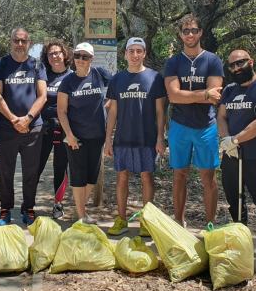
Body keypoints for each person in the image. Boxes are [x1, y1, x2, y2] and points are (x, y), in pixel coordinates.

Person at [216, 49, 256, 261]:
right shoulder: (229, 90)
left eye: (240, 63)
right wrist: (226, 141)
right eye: (232, 65)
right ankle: (242, 241)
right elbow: (221, 116)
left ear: (251, 62)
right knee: (235, 199)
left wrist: (236, 139)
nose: (236, 68)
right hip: (231, 155)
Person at [163, 14, 224, 227]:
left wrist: (198, 95)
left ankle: (210, 224)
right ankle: (178, 221)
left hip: (206, 127)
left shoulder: (213, 60)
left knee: (208, 176)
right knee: (179, 174)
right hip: (179, 126)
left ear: (200, 33)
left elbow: (215, 96)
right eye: (186, 31)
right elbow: (173, 96)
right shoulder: (173, 62)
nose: (190, 34)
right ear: (180, 35)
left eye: (194, 30)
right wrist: (204, 94)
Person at [104, 37, 166, 236]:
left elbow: (160, 111)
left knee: (147, 176)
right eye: (131, 51)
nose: (135, 55)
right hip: (123, 138)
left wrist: (160, 138)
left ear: (144, 53)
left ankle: (146, 222)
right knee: (122, 177)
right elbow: (112, 112)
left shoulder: (155, 78)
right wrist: (108, 139)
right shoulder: (117, 79)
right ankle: (121, 219)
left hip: (146, 138)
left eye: (139, 51)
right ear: (125, 54)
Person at [0, 28, 47, 226]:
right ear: (11, 42)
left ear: (29, 43)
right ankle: (5, 209)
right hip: (7, 128)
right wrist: (14, 119)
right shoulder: (1, 64)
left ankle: (28, 208)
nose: (20, 44)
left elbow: (43, 95)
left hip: (33, 129)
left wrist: (28, 118)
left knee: (31, 172)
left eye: (24, 41)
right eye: (16, 40)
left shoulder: (37, 64)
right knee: (6, 172)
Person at [57, 42, 112, 224]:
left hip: (97, 136)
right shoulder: (68, 81)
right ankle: (81, 215)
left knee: (91, 177)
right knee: (79, 176)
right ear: (74, 57)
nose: (81, 60)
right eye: (78, 56)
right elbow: (61, 111)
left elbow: (116, 89)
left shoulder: (99, 74)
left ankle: (78, 209)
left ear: (91, 59)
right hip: (76, 138)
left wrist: (106, 106)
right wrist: (70, 135)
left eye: (85, 57)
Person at [36, 40, 73, 219]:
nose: (55, 56)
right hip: (43, 128)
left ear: (64, 54)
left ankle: (58, 204)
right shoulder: (43, 76)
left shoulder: (72, 76)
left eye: (58, 52)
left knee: (60, 167)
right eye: (51, 54)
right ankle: (28, 203)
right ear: (47, 57)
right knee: (36, 166)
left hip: (64, 129)